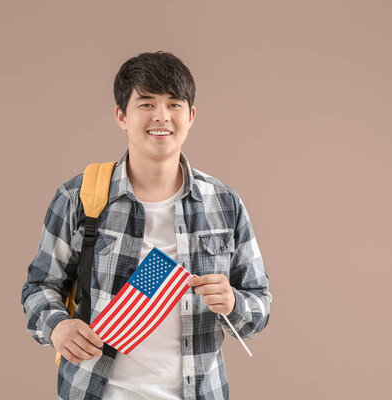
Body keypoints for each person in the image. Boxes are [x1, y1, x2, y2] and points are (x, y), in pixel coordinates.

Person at [21, 51, 272, 400]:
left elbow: (259, 307)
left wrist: (233, 303)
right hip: (96, 392)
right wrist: (58, 327)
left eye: (174, 104)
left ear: (191, 115)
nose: (161, 116)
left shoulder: (224, 203)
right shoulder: (78, 197)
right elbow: (38, 286)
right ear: (121, 116)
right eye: (146, 103)